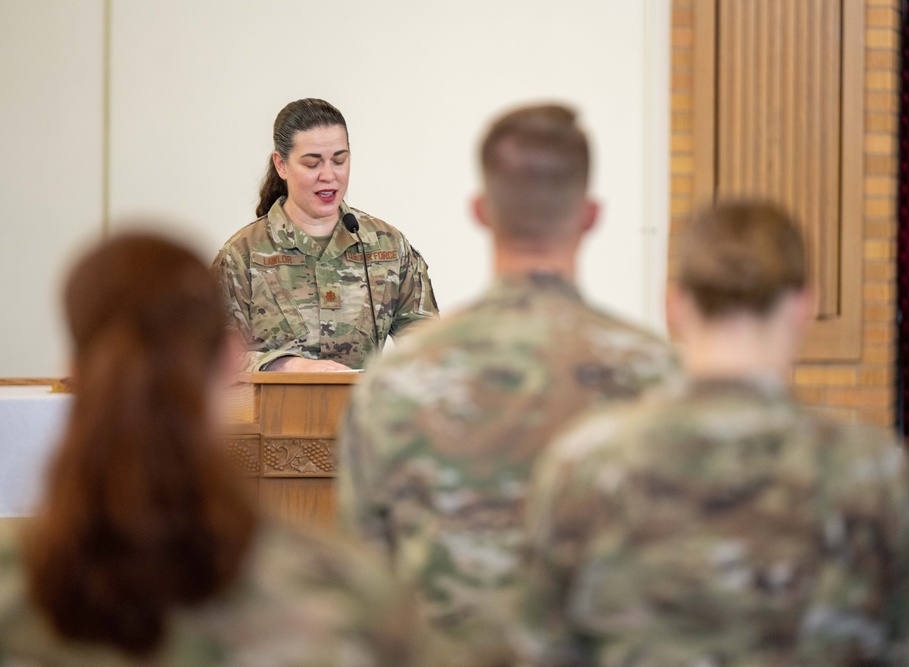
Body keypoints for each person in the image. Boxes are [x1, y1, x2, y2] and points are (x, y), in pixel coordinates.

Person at [517, 201, 909, 666]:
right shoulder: (879, 475)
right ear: (804, 307)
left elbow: (540, 652)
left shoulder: (582, 466)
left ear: (674, 306)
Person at [338, 104, 680, 663]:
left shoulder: (397, 382)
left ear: (481, 211)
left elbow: (365, 588)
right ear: (590, 214)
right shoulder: (656, 374)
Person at [0, 232, 431, 666]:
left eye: (340, 158)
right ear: (230, 363)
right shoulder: (344, 593)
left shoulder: (13, 581)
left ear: (72, 373)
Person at [214, 98, 439, 373]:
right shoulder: (242, 256)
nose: (329, 175)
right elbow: (212, 358)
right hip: (277, 414)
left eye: (339, 160)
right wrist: (287, 367)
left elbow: (428, 342)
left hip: (361, 413)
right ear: (281, 165)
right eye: (312, 164)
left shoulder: (390, 246)